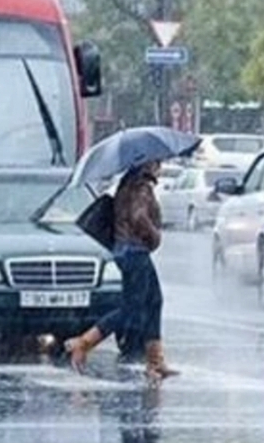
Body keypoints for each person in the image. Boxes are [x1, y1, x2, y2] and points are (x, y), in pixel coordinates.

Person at [64, 160, 179, 384]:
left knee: (154, 300)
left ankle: (155, 361)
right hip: (135, 251)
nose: (160, 167)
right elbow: (138, 217)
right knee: (132, 309)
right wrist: (154, 236)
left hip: (125, 250)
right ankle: (83, 342)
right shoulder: (142, 187)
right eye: (158, 163)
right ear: (149, 165)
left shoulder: (127, 184)